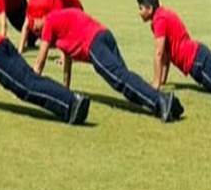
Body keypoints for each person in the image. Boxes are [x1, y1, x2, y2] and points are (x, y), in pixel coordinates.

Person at [32, 7, 182, 123]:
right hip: (104, 35)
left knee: (120, 79)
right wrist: (66, 91)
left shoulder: (49, 22)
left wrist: (32, 82)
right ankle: (169, 103)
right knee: (125, 78)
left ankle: (161, 101)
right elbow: (67, 59)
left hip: (93, 43)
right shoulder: (58, 23)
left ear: (41, 16)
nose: (35, 30)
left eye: (34, 23)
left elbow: (40, 62)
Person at [137, 0, 211, 93]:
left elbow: (159, 53)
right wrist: (162, 80)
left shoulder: (159, 20)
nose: (139, 12)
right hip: (198, 57)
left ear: (149, 9)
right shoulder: (161, 15)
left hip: (197, 61)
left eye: (141, 8)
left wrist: (156, 84)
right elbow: (166, 54)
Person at [19, 0, 83, 52]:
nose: (39, 34)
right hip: (47, 1)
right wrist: (20, 50)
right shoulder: (31, 9)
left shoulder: (55, 4)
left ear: (43, 18)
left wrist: (63, 56)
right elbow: (25, 26)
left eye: (38, 30)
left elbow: (62, 29)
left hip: (75, 9)